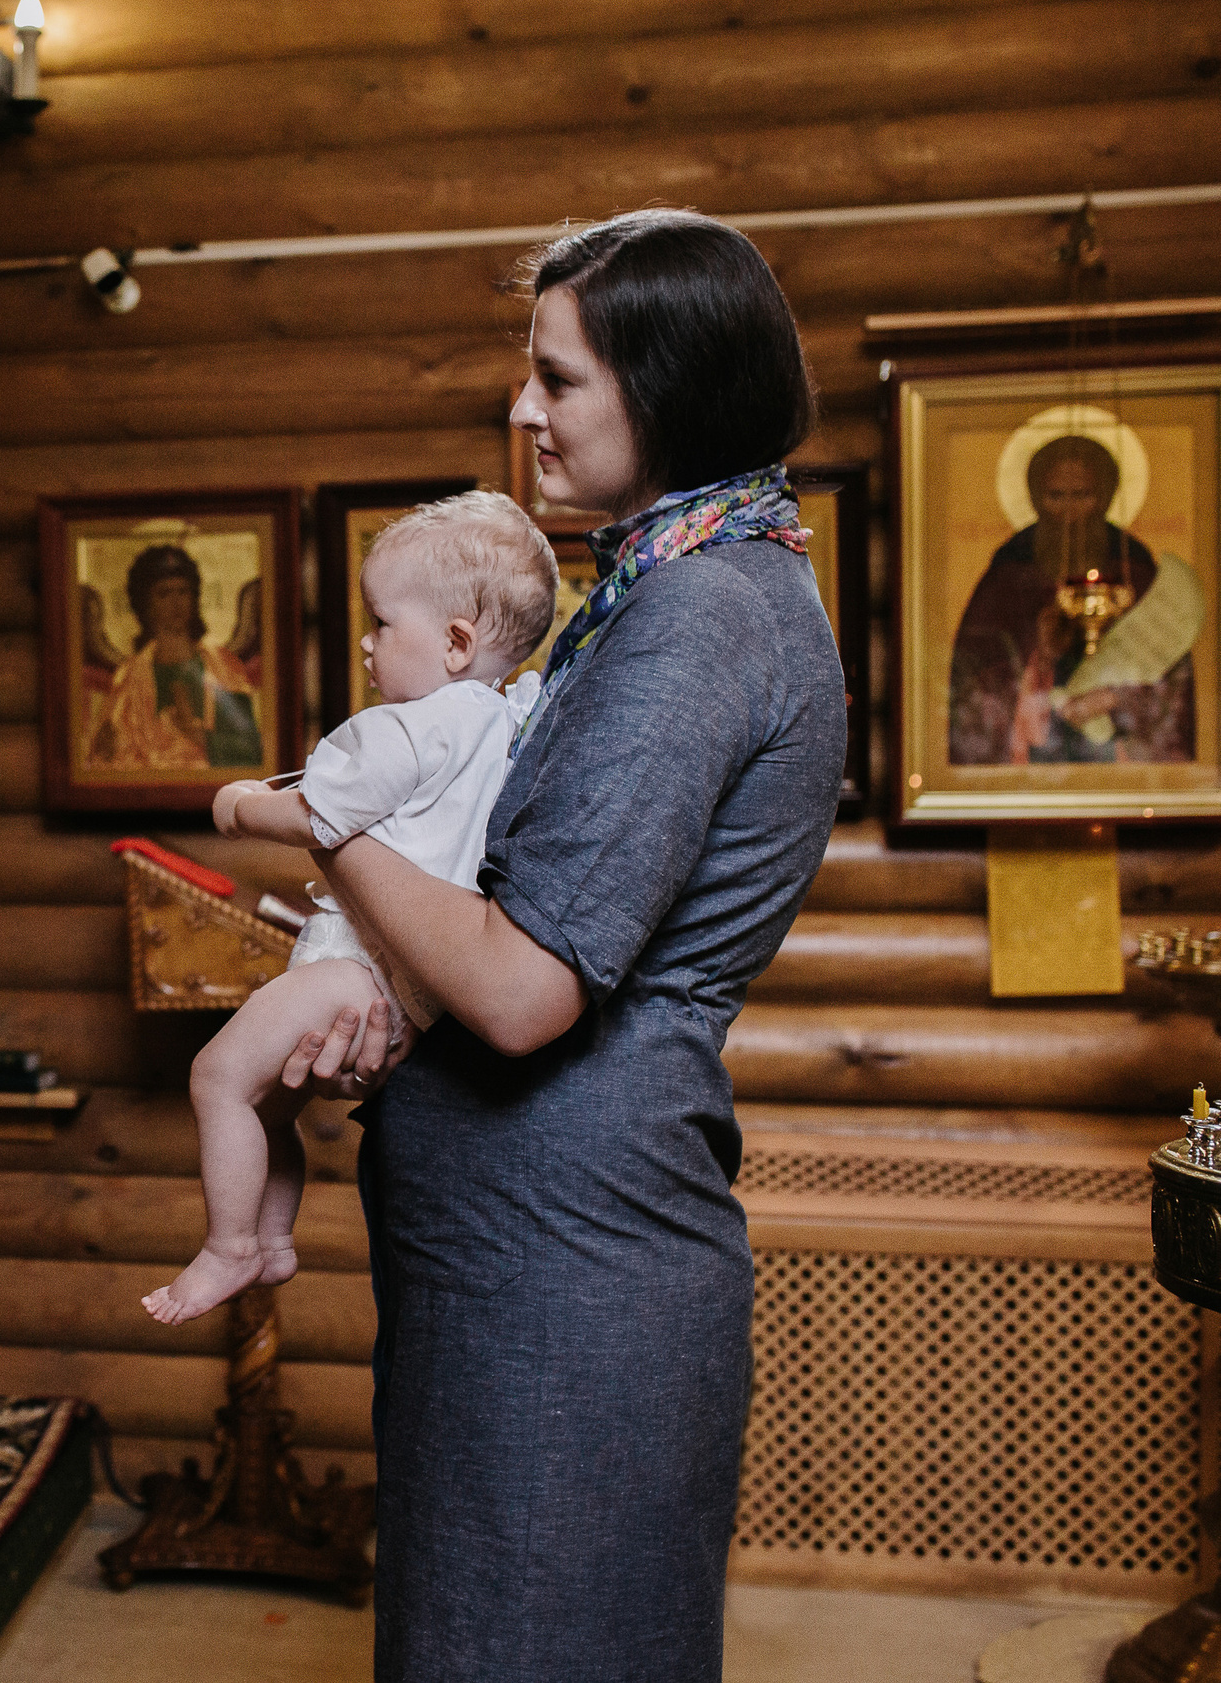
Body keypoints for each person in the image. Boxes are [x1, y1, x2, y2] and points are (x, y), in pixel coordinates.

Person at [275, 209, 843, 1680]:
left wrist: (329, 821)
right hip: (524, 1252)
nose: (523, 407)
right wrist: (377, 989)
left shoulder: (707, 611)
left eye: (560, 378)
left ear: (671, 385)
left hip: (571, 1277)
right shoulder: (665, 584)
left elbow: (526, 988)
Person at [143, 491, 555, 1325]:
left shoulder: (400, 731)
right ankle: (274, 1240)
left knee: (217, 1078)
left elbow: (313, 815)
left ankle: (230, 1247)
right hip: (428, 984)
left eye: (381, 622)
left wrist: (237, 804)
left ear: (455, 641)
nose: (367, 643)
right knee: (269, 1103)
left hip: (353, 966)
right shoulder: (509, 721)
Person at [947, 433, 1192, 764]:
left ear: (1104, 497)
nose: (1069, 511)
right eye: (1056, 496)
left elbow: (1169, 665)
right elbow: (975, 665)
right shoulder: (1012, 566)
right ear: (1036, 498)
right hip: (1034, 736)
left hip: (1117, 740)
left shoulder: (1130, 563)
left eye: (1082, 495)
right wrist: (1036, 656)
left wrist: (1117, 696)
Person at [87, 543, 264, 769]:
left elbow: (252, 751)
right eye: (164, 594)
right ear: (146, 604)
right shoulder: (129, 676)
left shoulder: (223, 667)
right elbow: (106, 755)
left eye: (183, 591)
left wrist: (202, 739)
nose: (176, 602)